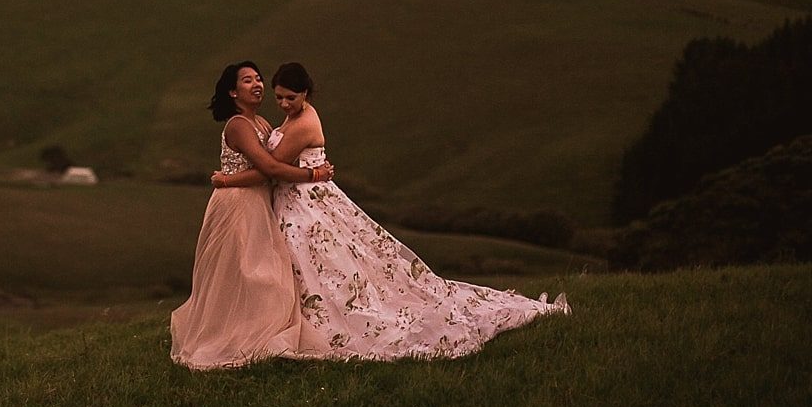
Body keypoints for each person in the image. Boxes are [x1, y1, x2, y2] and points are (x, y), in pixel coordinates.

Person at [214, 62, 569, 361]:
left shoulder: (304, 121)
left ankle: (319, 325)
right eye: (280, 98)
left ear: (307, 94)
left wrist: (230, 180)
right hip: (292, 204)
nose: (284, 104)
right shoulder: (266, 122)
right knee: (304, 268)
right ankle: (282, 322)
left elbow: (273, 168)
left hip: (307, 204)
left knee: (322, 267)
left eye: (291, 97)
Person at [170, 61, 334, 370]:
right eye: (247, 81)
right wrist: (314, 173)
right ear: (233, 92)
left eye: (258, 78)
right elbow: (269, 169)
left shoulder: (261, 122)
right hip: (236, 205)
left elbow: (271, 169)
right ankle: (239, 339)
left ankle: (255, 334)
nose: (257, 84)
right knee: (246, 273)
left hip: (256, 202)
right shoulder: (239, 125)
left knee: (260, 274)